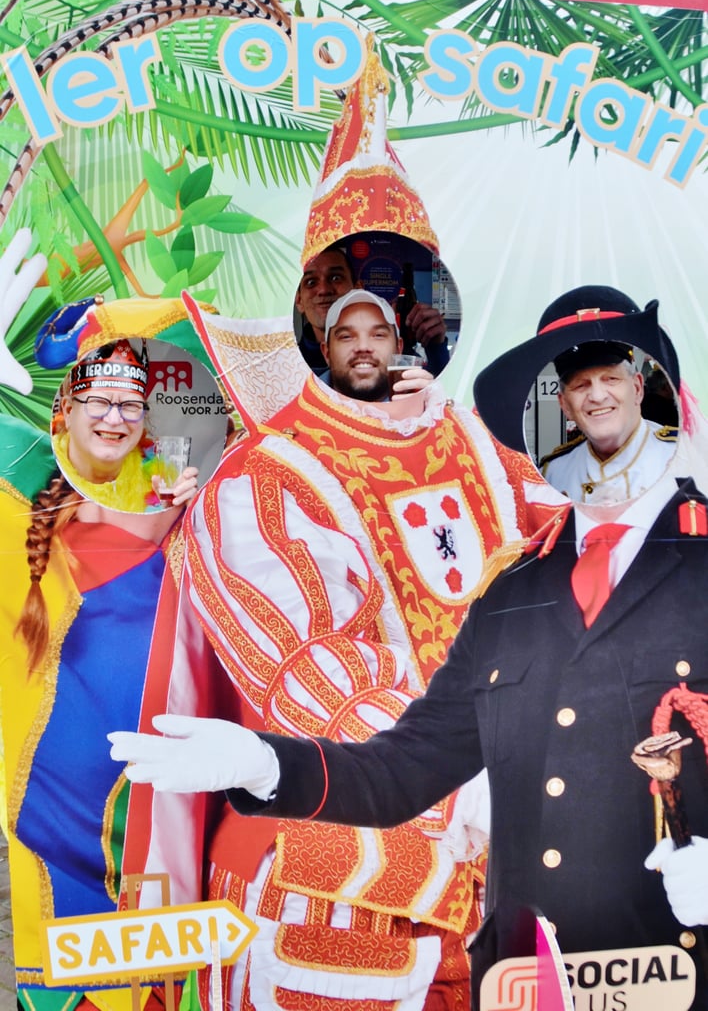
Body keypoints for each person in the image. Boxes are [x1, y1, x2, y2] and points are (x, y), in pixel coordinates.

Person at [110, 286, 708, 1011]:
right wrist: (269, 764)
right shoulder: (266, 478)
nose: (599, 408)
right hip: (380, 891)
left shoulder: (505, 470)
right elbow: (378, 728)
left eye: (615, 380)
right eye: (578, 389)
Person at [1, 290, 204, 1010]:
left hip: (165, 862)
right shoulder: (21, 520)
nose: (116, 417)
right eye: (99, 398)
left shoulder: (206, 535)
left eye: (135, 404)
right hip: (49, 868)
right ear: (66, 410)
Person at [52, 336, 198, 513]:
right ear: (68, 411)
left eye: (130, 405)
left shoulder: (162, 478)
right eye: (99, 402)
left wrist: (179, 514)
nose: (114, 419)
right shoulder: (33, 474)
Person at [540, 338, 677, 504]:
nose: (597, 397)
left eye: (611, 379)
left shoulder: (683, 456)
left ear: (637, 388)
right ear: (565, 405)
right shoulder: (551, 475)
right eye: (580, 385)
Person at [296, 243, 451, 378]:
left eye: (336, 278)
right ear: (299, 301)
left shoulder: (399, 359)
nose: (323, 290)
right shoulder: (289, 364)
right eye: (311, 282)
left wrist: (436, 348)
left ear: (357, 288)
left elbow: (437, 392)